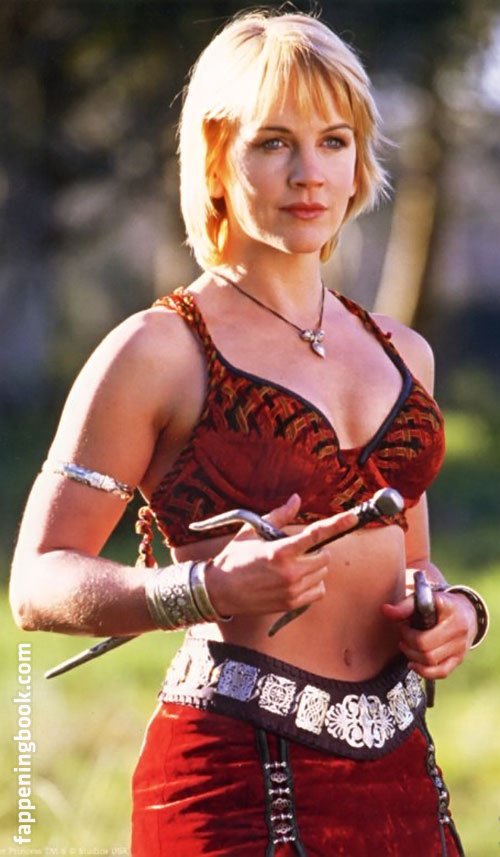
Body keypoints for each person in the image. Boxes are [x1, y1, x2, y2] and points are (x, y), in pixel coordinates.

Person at [9, 9, 488, 857]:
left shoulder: (404, 352)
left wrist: (452, 611)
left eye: (334, 141)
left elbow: (413, 558)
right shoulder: (157, 350)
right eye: (273, 143)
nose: (309, 173)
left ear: (359, 161)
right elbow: (36, 580)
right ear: (216, 159)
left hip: (403, 781)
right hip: (232, 783)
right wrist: (203, 588)